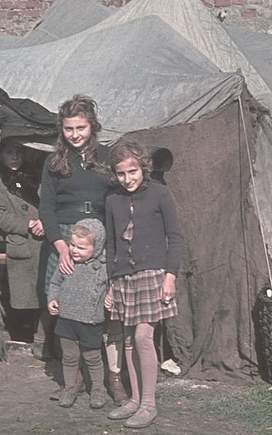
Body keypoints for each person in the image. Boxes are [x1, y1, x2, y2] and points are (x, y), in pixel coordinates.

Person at [40, 95, 127, 404]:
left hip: (100, 234)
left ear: (92, 126)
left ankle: (111, 379)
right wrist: (60, 246)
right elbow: (46, 208)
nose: (75, 134)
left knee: (104, 304)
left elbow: (119, 201)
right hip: (63, 235)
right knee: (62, 301)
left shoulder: (106, 157)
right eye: (68, 128)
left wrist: (108, 246)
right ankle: (72, 379)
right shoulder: (54, 162)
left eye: (81, 127)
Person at [104, 139, 184, 429]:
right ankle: (135, 400)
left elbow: (174, 237)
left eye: (133, 172)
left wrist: (170, 275)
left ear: (143, 168)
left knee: (142, 338)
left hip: (153, 275)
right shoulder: (112, 199)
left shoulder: (160, 194)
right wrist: (112, 282)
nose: (128, 179)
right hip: (123, 277)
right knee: (126, 340)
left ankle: (149, 403)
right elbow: (112, 243)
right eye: (121, 174)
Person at [0, 139, 50, 360]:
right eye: (10, 152)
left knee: (50, 291)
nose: (15, 157)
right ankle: (34, 338)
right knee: (30, 295)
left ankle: (44, 339)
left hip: (45, 239)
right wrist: (27, 224)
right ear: (1, 153)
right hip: (24, 241)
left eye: (19, 152)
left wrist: (45, 221)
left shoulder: (33, 174)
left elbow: (47, 202)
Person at [47, 218, 109, 409]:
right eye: (72, 245)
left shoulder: (103, 268)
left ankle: (98, 388)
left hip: (90, 321)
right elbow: (55, 283)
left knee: (92, 357)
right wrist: (52, 299)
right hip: (66, 319)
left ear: (96, 248)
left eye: (81, 247)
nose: (74, 250)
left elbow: (113, 286)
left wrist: (111, 298)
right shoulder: (66, 263)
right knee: (69, 356)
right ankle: (70, 387)